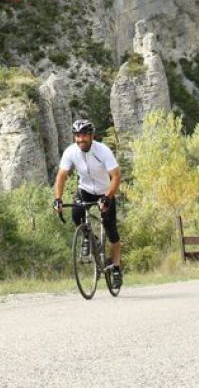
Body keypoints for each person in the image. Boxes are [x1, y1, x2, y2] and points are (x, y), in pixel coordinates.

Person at [53, 118, 122, 286]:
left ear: (92, 136)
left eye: (83, 135)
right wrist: (58, 199)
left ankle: (117, 268)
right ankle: (92, 239)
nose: (80, 139)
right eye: (77, 135)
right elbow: (61, 176)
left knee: (112, 231)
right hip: (85, 190)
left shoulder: (103, 151)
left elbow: (116, 176)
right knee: (77, 216)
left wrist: (107, 197)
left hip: (105, 191)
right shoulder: (71, 151)